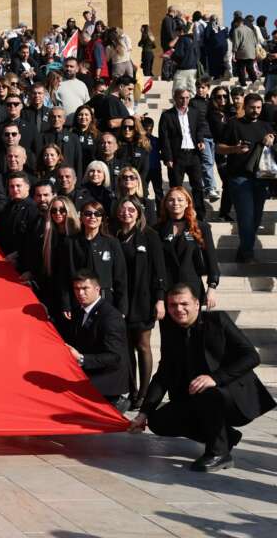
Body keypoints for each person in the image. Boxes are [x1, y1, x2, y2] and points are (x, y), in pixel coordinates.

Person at [129, 284, 276, 473]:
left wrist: (215, 378)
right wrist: (144, 413)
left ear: (197, 304)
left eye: (184, 304)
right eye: (173, 305)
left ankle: (219, 452)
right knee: (158, 421)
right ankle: (226, 436)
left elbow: (251, 356)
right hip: (194, 397)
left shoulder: (218, 320)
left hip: (231, 394)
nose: (178, 309)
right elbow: (163, 374)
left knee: (207, 391)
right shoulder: (171, 330)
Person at [115, 196, 167, 410]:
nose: (126, 212)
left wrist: (160, 299)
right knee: (126, 348)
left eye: (131, 209)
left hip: (143, 300)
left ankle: (144, 393)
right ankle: (132, 390)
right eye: (123, 209)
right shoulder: (115, 235)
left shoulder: (150, 235)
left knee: (142, 345)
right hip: (121, 300)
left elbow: (159, 269)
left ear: (138, 213)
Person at [215, 92, 275, 263]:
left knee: (256, 218)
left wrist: (272, 138)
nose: (255, 111)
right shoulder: (234, 124)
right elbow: (218, 148)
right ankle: (248, 254)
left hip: (262, 178)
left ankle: (243, 251)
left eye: (258, 108)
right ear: (245, 107)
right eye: (252, 108)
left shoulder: (266, 126)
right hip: (239, 178)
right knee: (246, 217)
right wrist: (234, 149)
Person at [66, 272, 130, 412]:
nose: (80, 293)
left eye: (85, 288)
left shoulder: (110, 317)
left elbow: (115, 357)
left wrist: (82, 359)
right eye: (77, 289)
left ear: (97, 289)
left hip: (107, 376)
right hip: (88, 369)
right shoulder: (78, 311)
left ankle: (116, 402)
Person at [156, 186, 220, 308]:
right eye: (171, 200)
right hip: (167, 290)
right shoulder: (157, 230)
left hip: (192, 288)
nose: (176, 203)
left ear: (187, 203)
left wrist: (212, 288)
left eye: (180, 200)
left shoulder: (201, 227)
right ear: (165, 204)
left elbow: (211, 260)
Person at [158, 87, 211, 218]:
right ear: (175, 98)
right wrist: (167, 158)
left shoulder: (194, 112)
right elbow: (164, 138)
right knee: (176, 187)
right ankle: (175, 214)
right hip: (177, 156)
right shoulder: (167, 115)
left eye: (187, 98)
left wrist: (200, 140)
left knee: (198, 186)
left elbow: (199, 128)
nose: (184, 100)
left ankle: (200, 214)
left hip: (193, 154)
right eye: (181, 98)